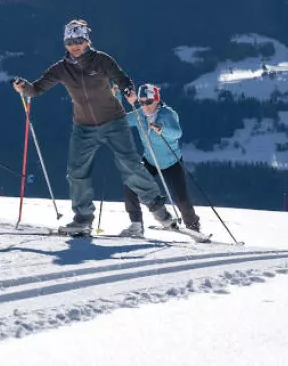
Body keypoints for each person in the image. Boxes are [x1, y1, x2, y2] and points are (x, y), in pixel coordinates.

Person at [11, 19, 180, 236]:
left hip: (114, 122)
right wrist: (23, 87)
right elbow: (36, 89)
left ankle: (161, 214)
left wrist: (128, 90)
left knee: (130, 167)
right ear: (65, 44)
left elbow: (122, 78)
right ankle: (83, 220)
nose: (75, 45)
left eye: (79, 40)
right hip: (83, 127)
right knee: (76, 172)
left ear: (87, 41)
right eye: (71, 42)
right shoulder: (61, 69)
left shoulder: (101, 60)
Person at [120, 83, 202, 238]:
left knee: (181, 198)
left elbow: (177, 133)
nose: (145, 106)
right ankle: (136, 225)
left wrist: (162, 130)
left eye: (149, 102)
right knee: (131, 184)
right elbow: (120, 121)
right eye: (142, 102)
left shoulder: (168, 114)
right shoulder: (139, 116)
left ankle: (193, 227)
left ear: (157, 100)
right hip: (150, 161)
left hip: (172, 162)